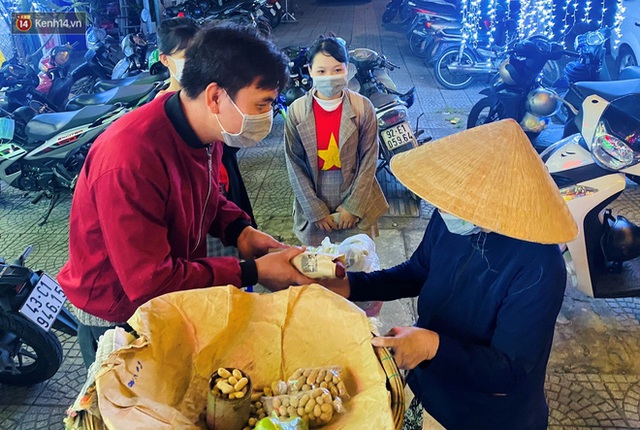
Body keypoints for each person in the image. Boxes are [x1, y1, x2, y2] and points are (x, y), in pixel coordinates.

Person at [58, 24, 313, 369]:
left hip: (169, 289)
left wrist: (239, 230)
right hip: (119, 310)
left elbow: (206, 195)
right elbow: (150, 282)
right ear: (215, 96)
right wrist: (253, 272)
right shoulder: (130, 158)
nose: (266, 116)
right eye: (262, 103)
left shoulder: (204, 129)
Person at [323, 119, 578, 430]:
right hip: (429, 384)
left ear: (497, 204)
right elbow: (418, 271)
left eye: (459, 202)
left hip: (485, 414)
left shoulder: (540, 267)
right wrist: (350, 285)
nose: (443, 208)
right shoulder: (451, 216)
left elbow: (508, 370)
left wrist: (432, 345)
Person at [284, 35, 388, 246]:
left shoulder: (363, 107)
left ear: (347, 69)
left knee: (356, 263)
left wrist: (353, 206)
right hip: (314, 194)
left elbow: (369, 159)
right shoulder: (296, 111)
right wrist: (315, 210)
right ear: (310, 70)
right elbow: (294, 162)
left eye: (337, 70)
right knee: (319, 267)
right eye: (321, 71)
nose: (329, 77)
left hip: (353, 191)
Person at [155, 17, 257, 228]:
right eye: (186, 56)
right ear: (165, 59)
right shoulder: (157, 113)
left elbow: (230, 146)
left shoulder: (214, 95)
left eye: (198, 57)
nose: (193, 64)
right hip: (189, 206)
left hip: (224, 193)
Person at [156, 17, 199, 96]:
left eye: (199, 54)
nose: (196, 61)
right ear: (165, 59)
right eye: (187, 56)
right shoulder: (162, 105)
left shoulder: (216, 94)